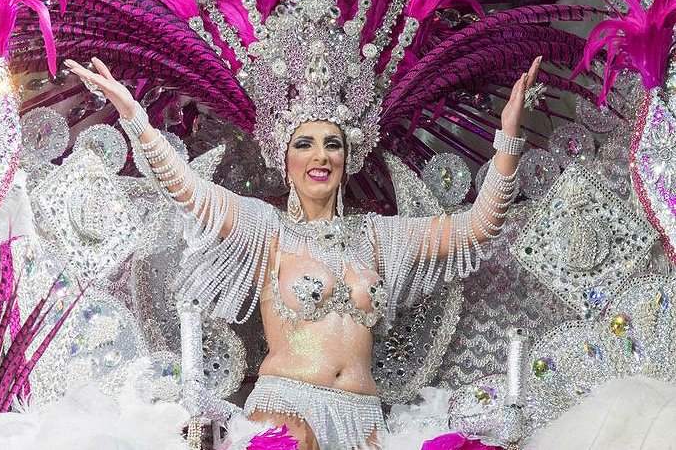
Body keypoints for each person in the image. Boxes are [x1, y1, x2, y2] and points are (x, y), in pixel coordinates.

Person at [62, 51, 540, 450]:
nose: (320, 155)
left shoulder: (380, 237)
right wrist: (135, 118)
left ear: (346, 161)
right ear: (285, 161)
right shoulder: (265, 228)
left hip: (365, 422)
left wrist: (509, 138)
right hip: (288, 419)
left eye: (333, 145)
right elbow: (185, 188)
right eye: (305, 144)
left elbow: (479, 226)